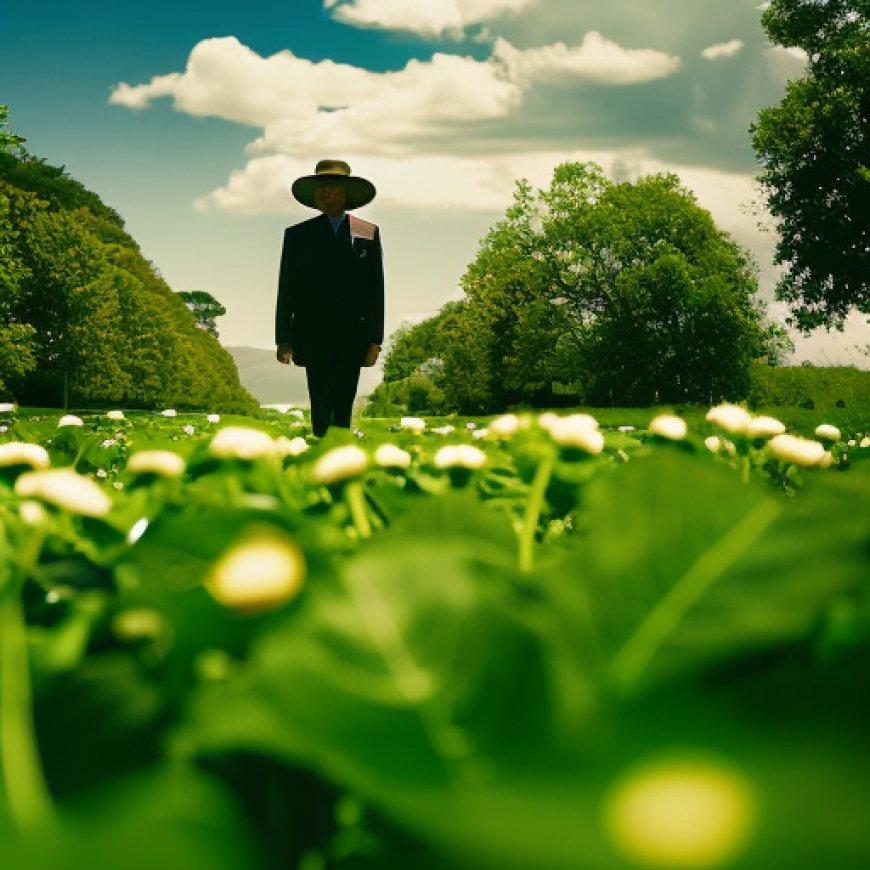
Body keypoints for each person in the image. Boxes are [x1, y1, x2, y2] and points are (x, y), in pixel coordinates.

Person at [275, 159, 384, 437]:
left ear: (346, 194)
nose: (327, 194)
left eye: (334, 188)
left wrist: (375, 340)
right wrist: (283, 338)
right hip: (312, 333)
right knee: (320, 400)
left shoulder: (366, 232)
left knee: (343, 401)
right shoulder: (298, 235)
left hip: (353, 335)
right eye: (321, 189)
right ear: (314, 196)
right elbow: (287, 287)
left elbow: (376, 290)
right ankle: (320, 451)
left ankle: (341, 454)